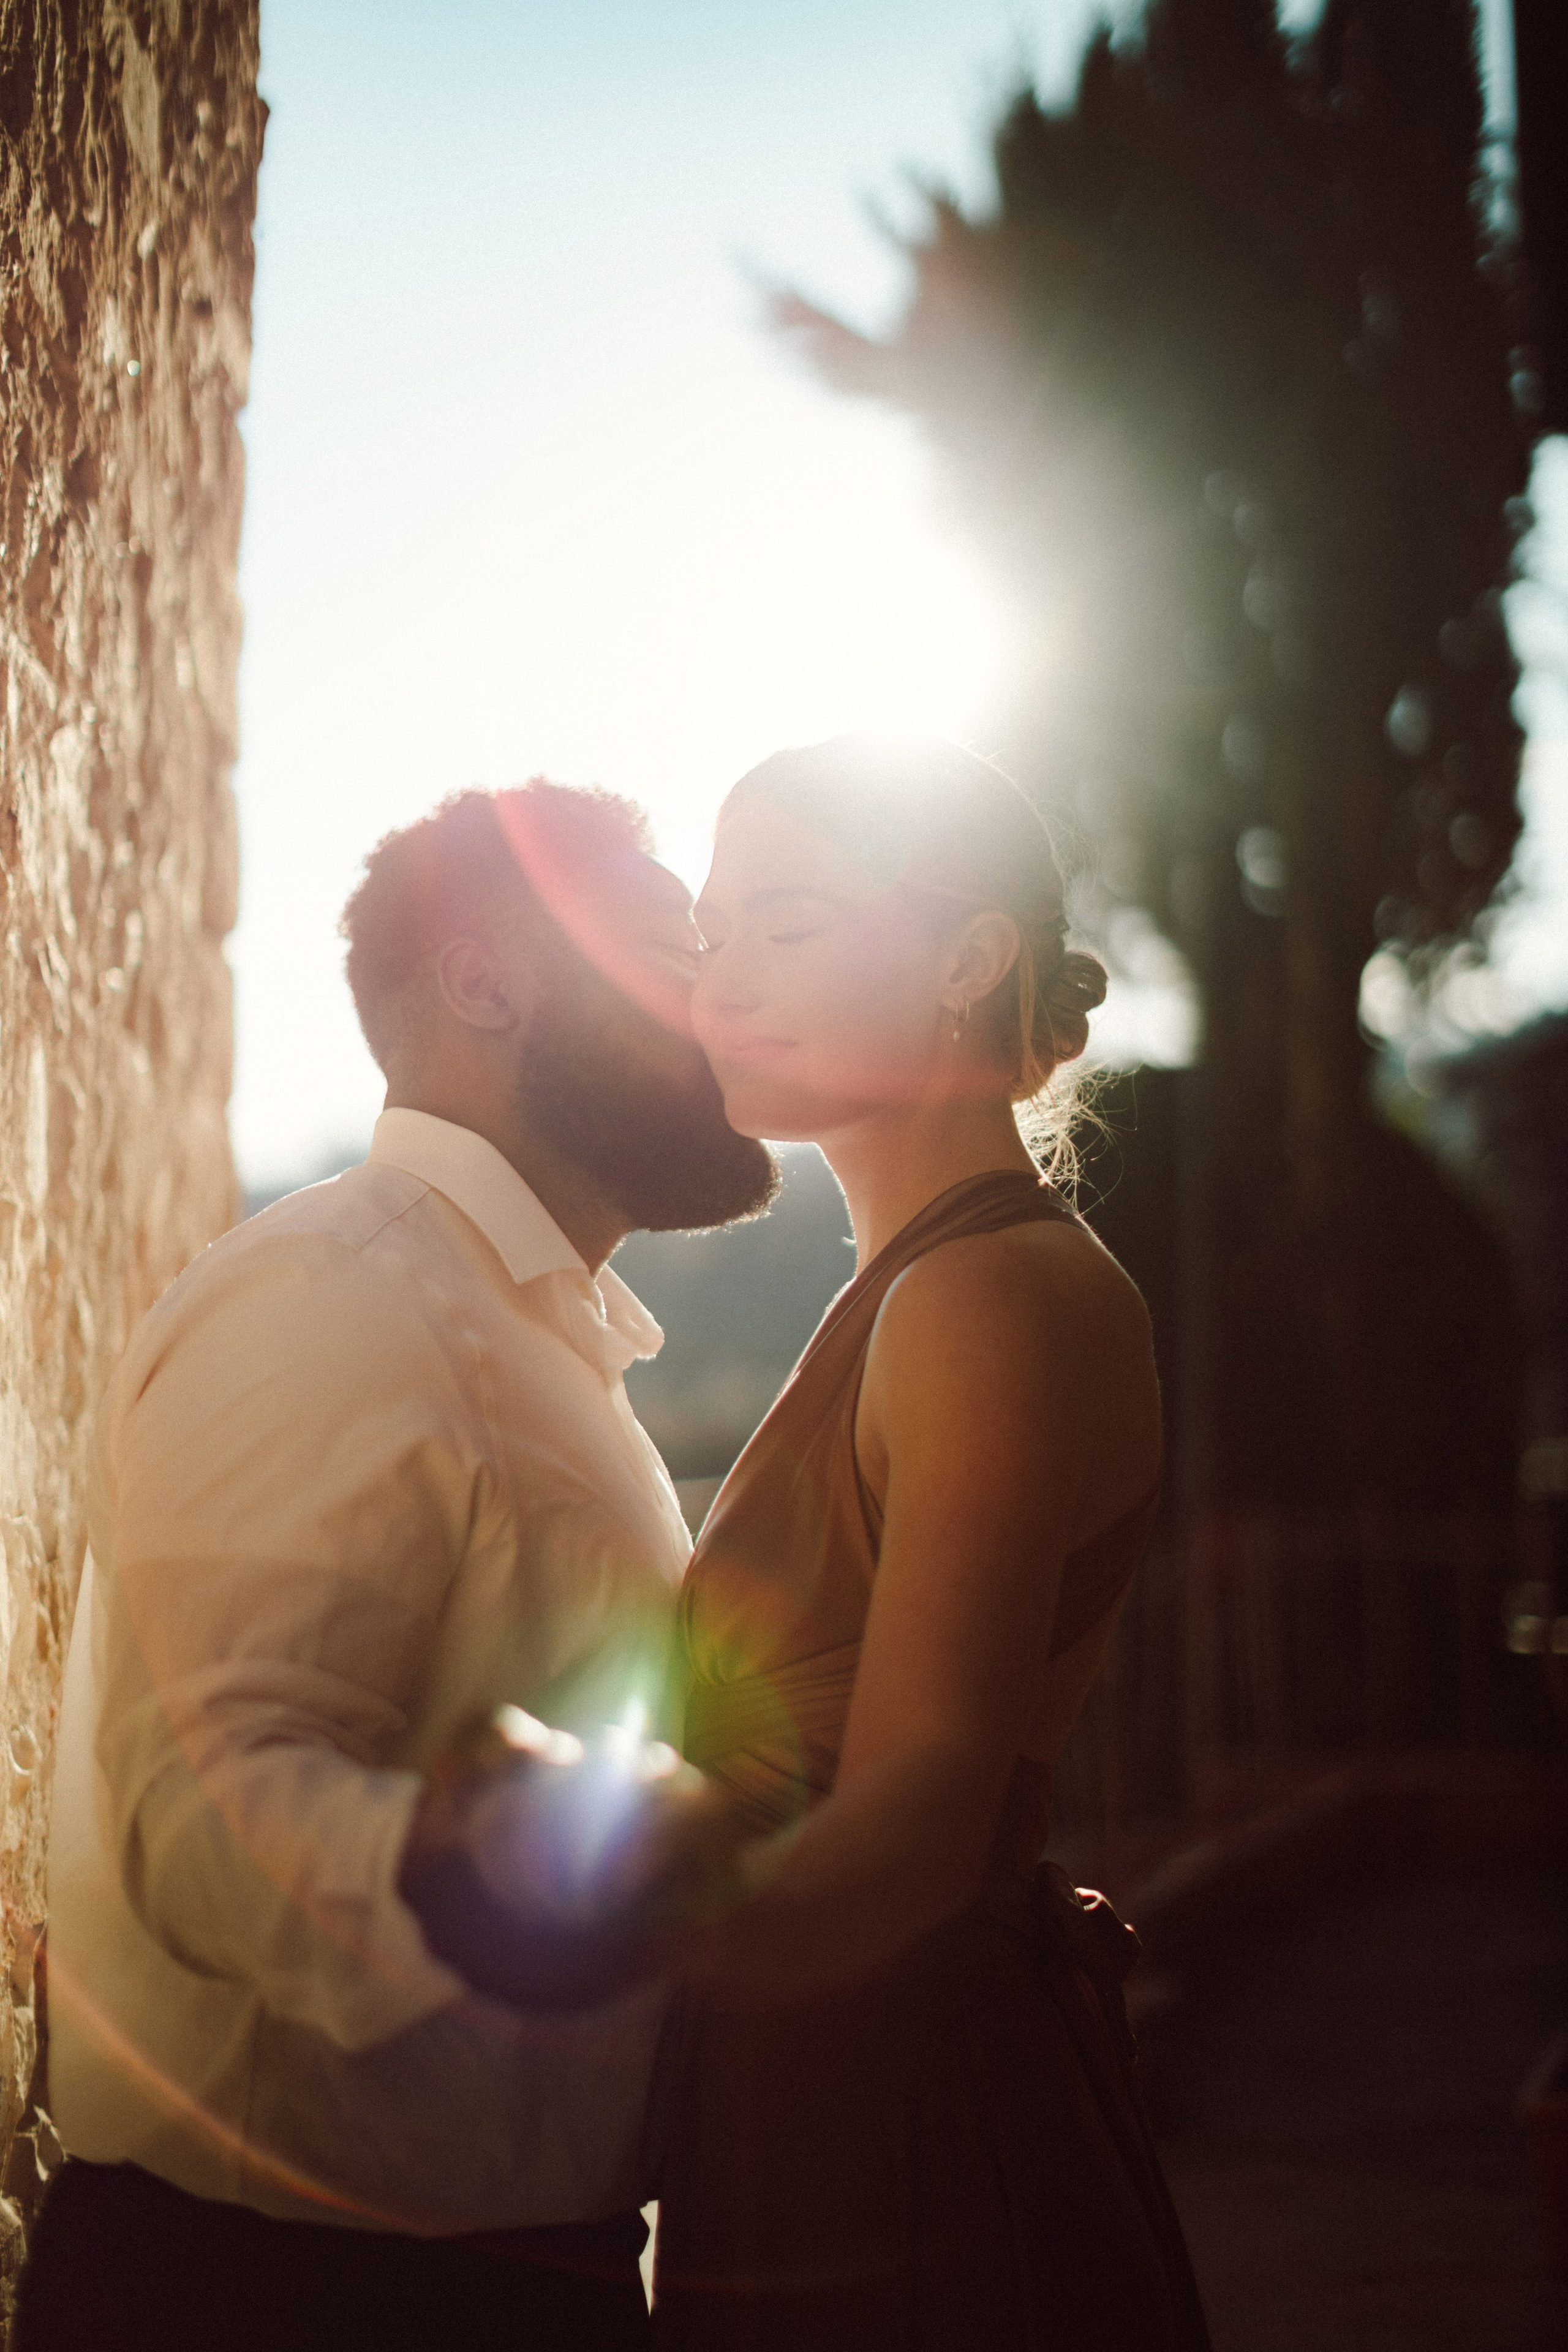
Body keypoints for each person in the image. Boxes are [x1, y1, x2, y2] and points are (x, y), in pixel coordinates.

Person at [20, 783, 776, 2352]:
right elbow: (201, 1798)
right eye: (665, 950)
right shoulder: (338, 1302)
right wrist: (480, 1865)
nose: (718, 1001)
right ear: (488, 983)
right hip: (283, 2296)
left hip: (485, 2280)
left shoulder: (532, 1338)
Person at [639, 736, 1213, 2347]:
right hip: (840, 2083)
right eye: (711, 932)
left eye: (790, 923)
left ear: (970, 960)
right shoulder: (931, 1287)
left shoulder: (978, 1297)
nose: (725, 978)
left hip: (899, 2128)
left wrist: (510, 1960)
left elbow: (912, 1819)